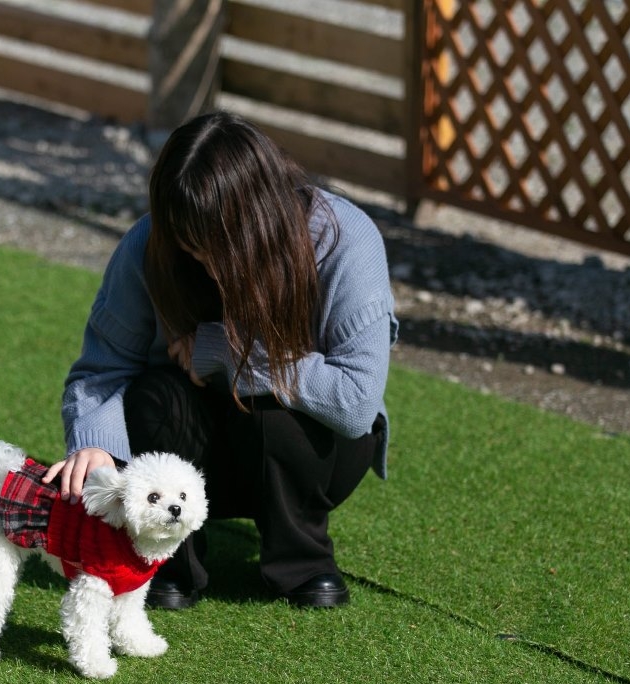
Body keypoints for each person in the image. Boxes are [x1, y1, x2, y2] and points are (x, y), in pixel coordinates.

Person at [47, 111, 398, 610]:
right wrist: (98, 448)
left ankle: (304, 561)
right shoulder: (148, 244)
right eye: (190, 244)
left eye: (218, 242)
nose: (206, 262)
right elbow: (103, 371)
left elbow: (358, 403)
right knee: (155, 395)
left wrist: (220, 351)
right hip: (195, 458)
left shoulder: (346, 240)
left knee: (269, 411)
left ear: (262, 216)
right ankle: (168, 564)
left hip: (313, 459)